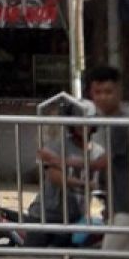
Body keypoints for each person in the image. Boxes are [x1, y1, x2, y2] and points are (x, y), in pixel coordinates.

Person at [81, 66, 129, 251]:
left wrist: (64, 162)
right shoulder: (110, 122)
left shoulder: (120, 123)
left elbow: (105, 162)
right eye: (98, 92)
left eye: (108, 92)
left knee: (109, 256)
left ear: (119, 91)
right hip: (125, 203)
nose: (103, 97)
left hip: (128, 205)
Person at [30, 100, 104, 248]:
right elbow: (55, 177)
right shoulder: (58, 145)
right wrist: (86, 185)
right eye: (77, 121)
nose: (81, 126)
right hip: (45, 217)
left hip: (75, 219)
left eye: (86, 122)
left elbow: (103, 183)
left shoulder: (98, 153)